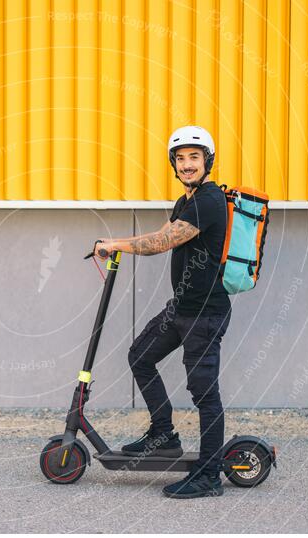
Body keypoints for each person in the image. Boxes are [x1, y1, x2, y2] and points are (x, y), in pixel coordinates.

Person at [93, 125, 231, 499]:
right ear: (174, 163)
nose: (187, 165)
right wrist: (117, 243)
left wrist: (114, 244)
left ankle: (208, 475)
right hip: (182, 309)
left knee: (204, 394)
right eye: (181, 158)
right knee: (141, 356)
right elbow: (162, 230)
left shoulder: (210, 200)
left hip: (205, 314)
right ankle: (163, 435)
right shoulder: (186, 200)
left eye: (194, 158)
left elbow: (161, 243)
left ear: (207, 162)